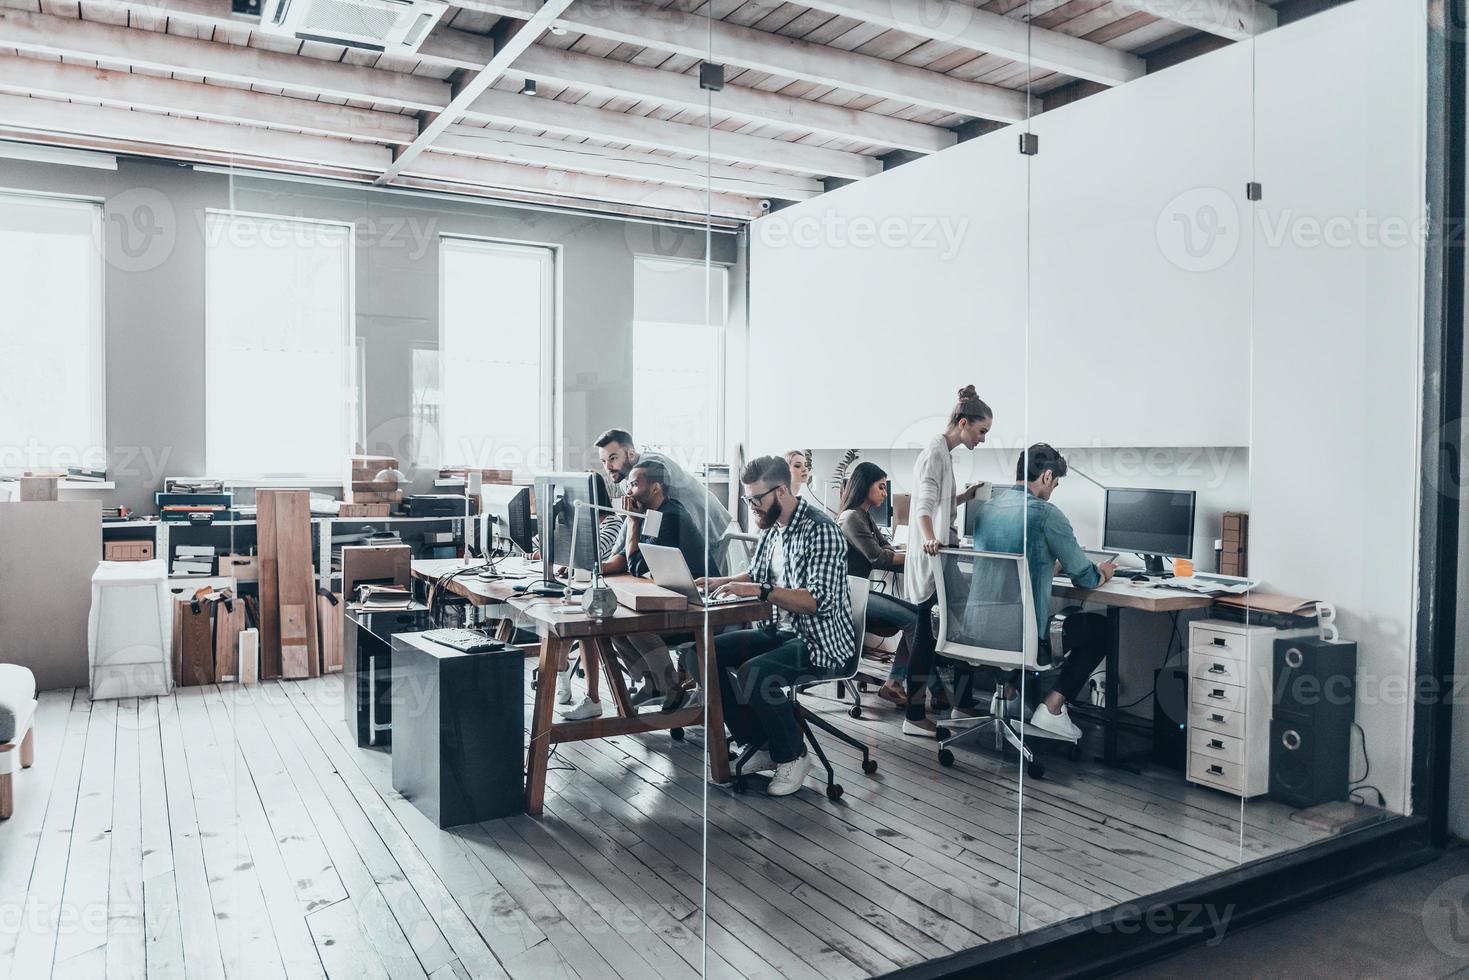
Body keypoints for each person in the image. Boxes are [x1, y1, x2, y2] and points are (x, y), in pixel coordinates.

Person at [696, 455, 852, 797]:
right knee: (704, 652)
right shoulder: (772, 528)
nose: (751, 506)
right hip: (779, 633)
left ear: (781, 490)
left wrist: (760, 590)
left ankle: (793, 755)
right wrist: (717, 581)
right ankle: (763, 744)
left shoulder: (821, 530)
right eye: (747, 499)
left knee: (755, 673)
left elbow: (816, 602)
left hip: (818, 640)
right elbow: (757, 576)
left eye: (756, 499)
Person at [969, 444, 1116, 739]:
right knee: (1102, 629)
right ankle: (1052, 708)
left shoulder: (987, 508)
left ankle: (1008, 693)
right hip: (1020, 635)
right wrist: (1103, 572)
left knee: (1026, 620)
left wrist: (1049, 566)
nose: (1054, 490)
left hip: (977, 630)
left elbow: (1011, 565)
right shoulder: (1047, 514)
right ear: (1047, 476)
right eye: (1057, 483)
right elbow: (1085, 578)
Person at [902, 385, 992, 737]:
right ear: (964, 422)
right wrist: (930, 539)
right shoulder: (934, 454)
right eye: (981, 431)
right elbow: (922, 507)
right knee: (927, 634)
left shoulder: (943, 453)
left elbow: (938, 500)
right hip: (935, 556)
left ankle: (962, 700)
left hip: (943, 554)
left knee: (963, 624)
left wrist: (965, 496)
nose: (982, 439)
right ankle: (913, 714)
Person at [836, 462, 918, 709]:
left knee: (919, 615)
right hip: (847, 594)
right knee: (915, 620)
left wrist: (906, 554)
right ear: (865, 486)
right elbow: (879, 557)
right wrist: (918, 557)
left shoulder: (864, 516)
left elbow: (888, 549)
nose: (885, 493)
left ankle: (895, 684)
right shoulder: (851, 517)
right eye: (881, 487)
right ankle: (919, 688)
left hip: (859, 590)